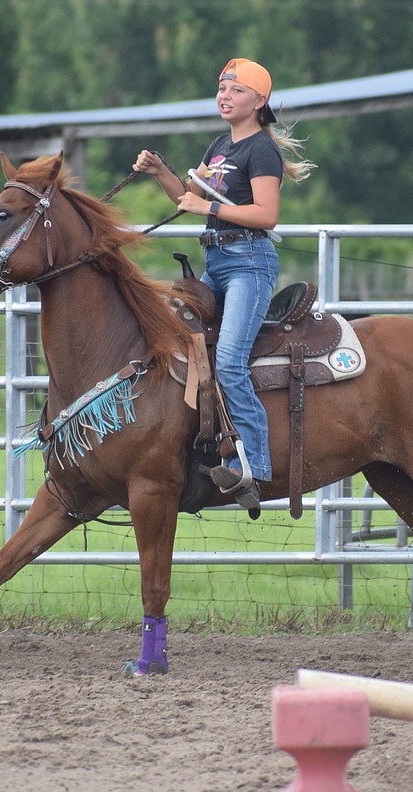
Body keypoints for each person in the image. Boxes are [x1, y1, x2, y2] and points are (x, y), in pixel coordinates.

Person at [133, 57, 314, 511]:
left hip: (249, 263)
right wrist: (159, 172)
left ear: (259, 100)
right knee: (176, 345)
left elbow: (267, 215)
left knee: (230, 361)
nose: (225, 96)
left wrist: (208, 209)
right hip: (216, 259)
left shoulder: (261, 150)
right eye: (221, 88)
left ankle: (253, 464)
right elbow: (186, 199)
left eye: (236, 90)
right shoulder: (219, 146)